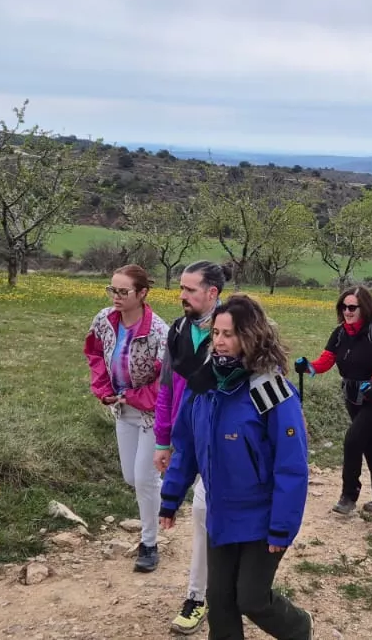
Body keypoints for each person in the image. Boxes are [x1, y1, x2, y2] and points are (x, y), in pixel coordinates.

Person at [159, 294, 313, 640]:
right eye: (216, 333)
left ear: (251, 336)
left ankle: (299, 627)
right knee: (220, 600)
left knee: (252, 599)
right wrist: (170, 498)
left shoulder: (270, 390)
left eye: (229, 334)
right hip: (221, 513)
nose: (220, 342)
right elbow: (186, 446)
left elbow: (291, 466)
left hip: (262, 517)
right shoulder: (204, 386)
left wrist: (282, 526)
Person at [85, 264, 172, 575]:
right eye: (113, 290)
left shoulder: (160, 332)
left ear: (143, 293)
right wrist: (104, 389)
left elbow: (166, 382)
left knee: (145, 479)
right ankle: (170, 498)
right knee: (131, 477)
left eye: (123, 291)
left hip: (152, 413)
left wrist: (133, 396)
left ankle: (149, 543)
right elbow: (94, 353)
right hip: (121, 409)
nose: (116, 297)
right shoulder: (104, 320)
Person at [153, 260, 226, 634]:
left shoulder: (230, 332)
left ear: (212, 293)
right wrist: (164, 440)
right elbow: (167, 389)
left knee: (201, 513)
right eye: (181, 288)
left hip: (222, 442)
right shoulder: (179, 330)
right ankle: (207, 593)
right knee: (203, 515)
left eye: (190, 289)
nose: (181, 295)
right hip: (188, 438)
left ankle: (204, 595)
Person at [296, 287, 372, 515]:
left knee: (353, 440)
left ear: (363, 308)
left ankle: (348, 496)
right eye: (343, 307)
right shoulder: (340, 333)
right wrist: (307, 367)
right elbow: (326, 361)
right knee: (369, 444)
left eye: (352, 307)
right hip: (352, 396)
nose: (347, 311)